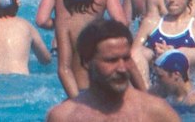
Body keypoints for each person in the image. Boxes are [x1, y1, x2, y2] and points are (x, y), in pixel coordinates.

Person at [44, 20, 181, 122]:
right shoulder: (64, 117)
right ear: (86, 62)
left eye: (126, 58)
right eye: (111, 60)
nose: (122, 68)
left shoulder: (156, 113)